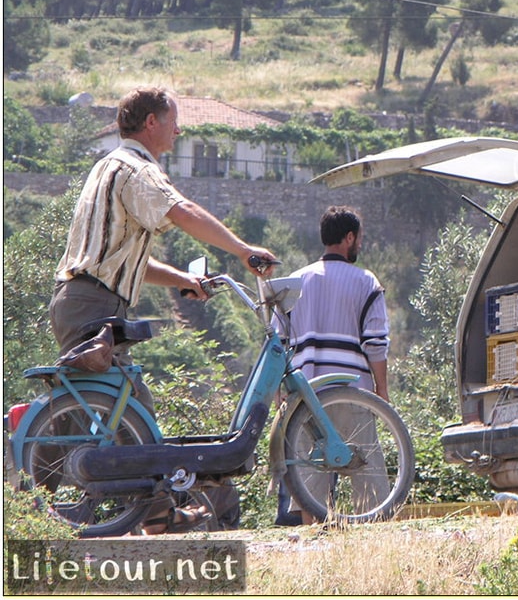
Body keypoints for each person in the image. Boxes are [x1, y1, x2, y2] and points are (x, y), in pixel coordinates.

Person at [50, 85, 278, 532]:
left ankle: (154, 513)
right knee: (126, 417)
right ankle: (132, 512)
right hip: (93, 304)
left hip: (84, 300)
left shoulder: (108, 165)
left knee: (132, 412)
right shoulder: (136, 169)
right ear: (151, 123)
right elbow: (182, 210)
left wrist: (183, 280)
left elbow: (124, 259)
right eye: (174, 120)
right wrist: (242, 249)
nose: (180, 129)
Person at [276, 205, 390, 522]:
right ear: (349, 237)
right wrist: (382, 391)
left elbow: (277, 343)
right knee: (367, 474)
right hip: (352, 391)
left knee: (310, 478)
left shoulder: (294, 282)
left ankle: (312, 542)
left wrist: (278, 394)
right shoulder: (366, 281)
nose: (360, 245)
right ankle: (369, 541)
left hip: (305, 394)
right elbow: (376, 343)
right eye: (359, 238)